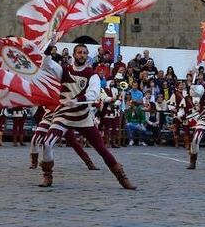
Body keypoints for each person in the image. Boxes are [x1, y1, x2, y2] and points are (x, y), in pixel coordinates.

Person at [37, 42, 136, 189]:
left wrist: (77, 100)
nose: (82, 55)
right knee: (47, 143)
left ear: (87, 55)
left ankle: (122, 177)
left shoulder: (92, 74)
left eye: (84, 53)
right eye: (79, 52)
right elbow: (46, 63)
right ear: (74, 55)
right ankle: (47, 174)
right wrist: (49, 45)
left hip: (83, 117)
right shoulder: (64, 70)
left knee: (101, 149)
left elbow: (93, 93)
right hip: (63, 115)